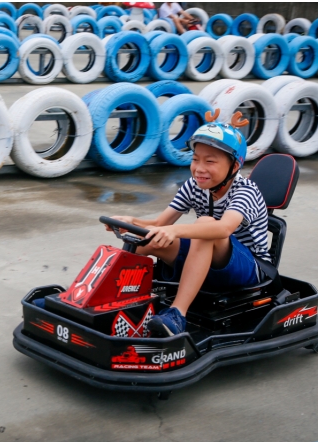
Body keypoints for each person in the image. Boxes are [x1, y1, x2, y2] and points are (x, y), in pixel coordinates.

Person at [106, 112, 273, 338]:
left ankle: (177, 314)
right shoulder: (193, 185)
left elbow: (222, 229)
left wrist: (173, 231)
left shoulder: (246, 192)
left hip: (251, 270)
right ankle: (101, 298)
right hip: (210, 255)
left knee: (205, 226)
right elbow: (159, 224)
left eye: (210, 161)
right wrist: (131, 222)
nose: (199, 168)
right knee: (143, 242)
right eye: (195, 159)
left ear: (234, 166)